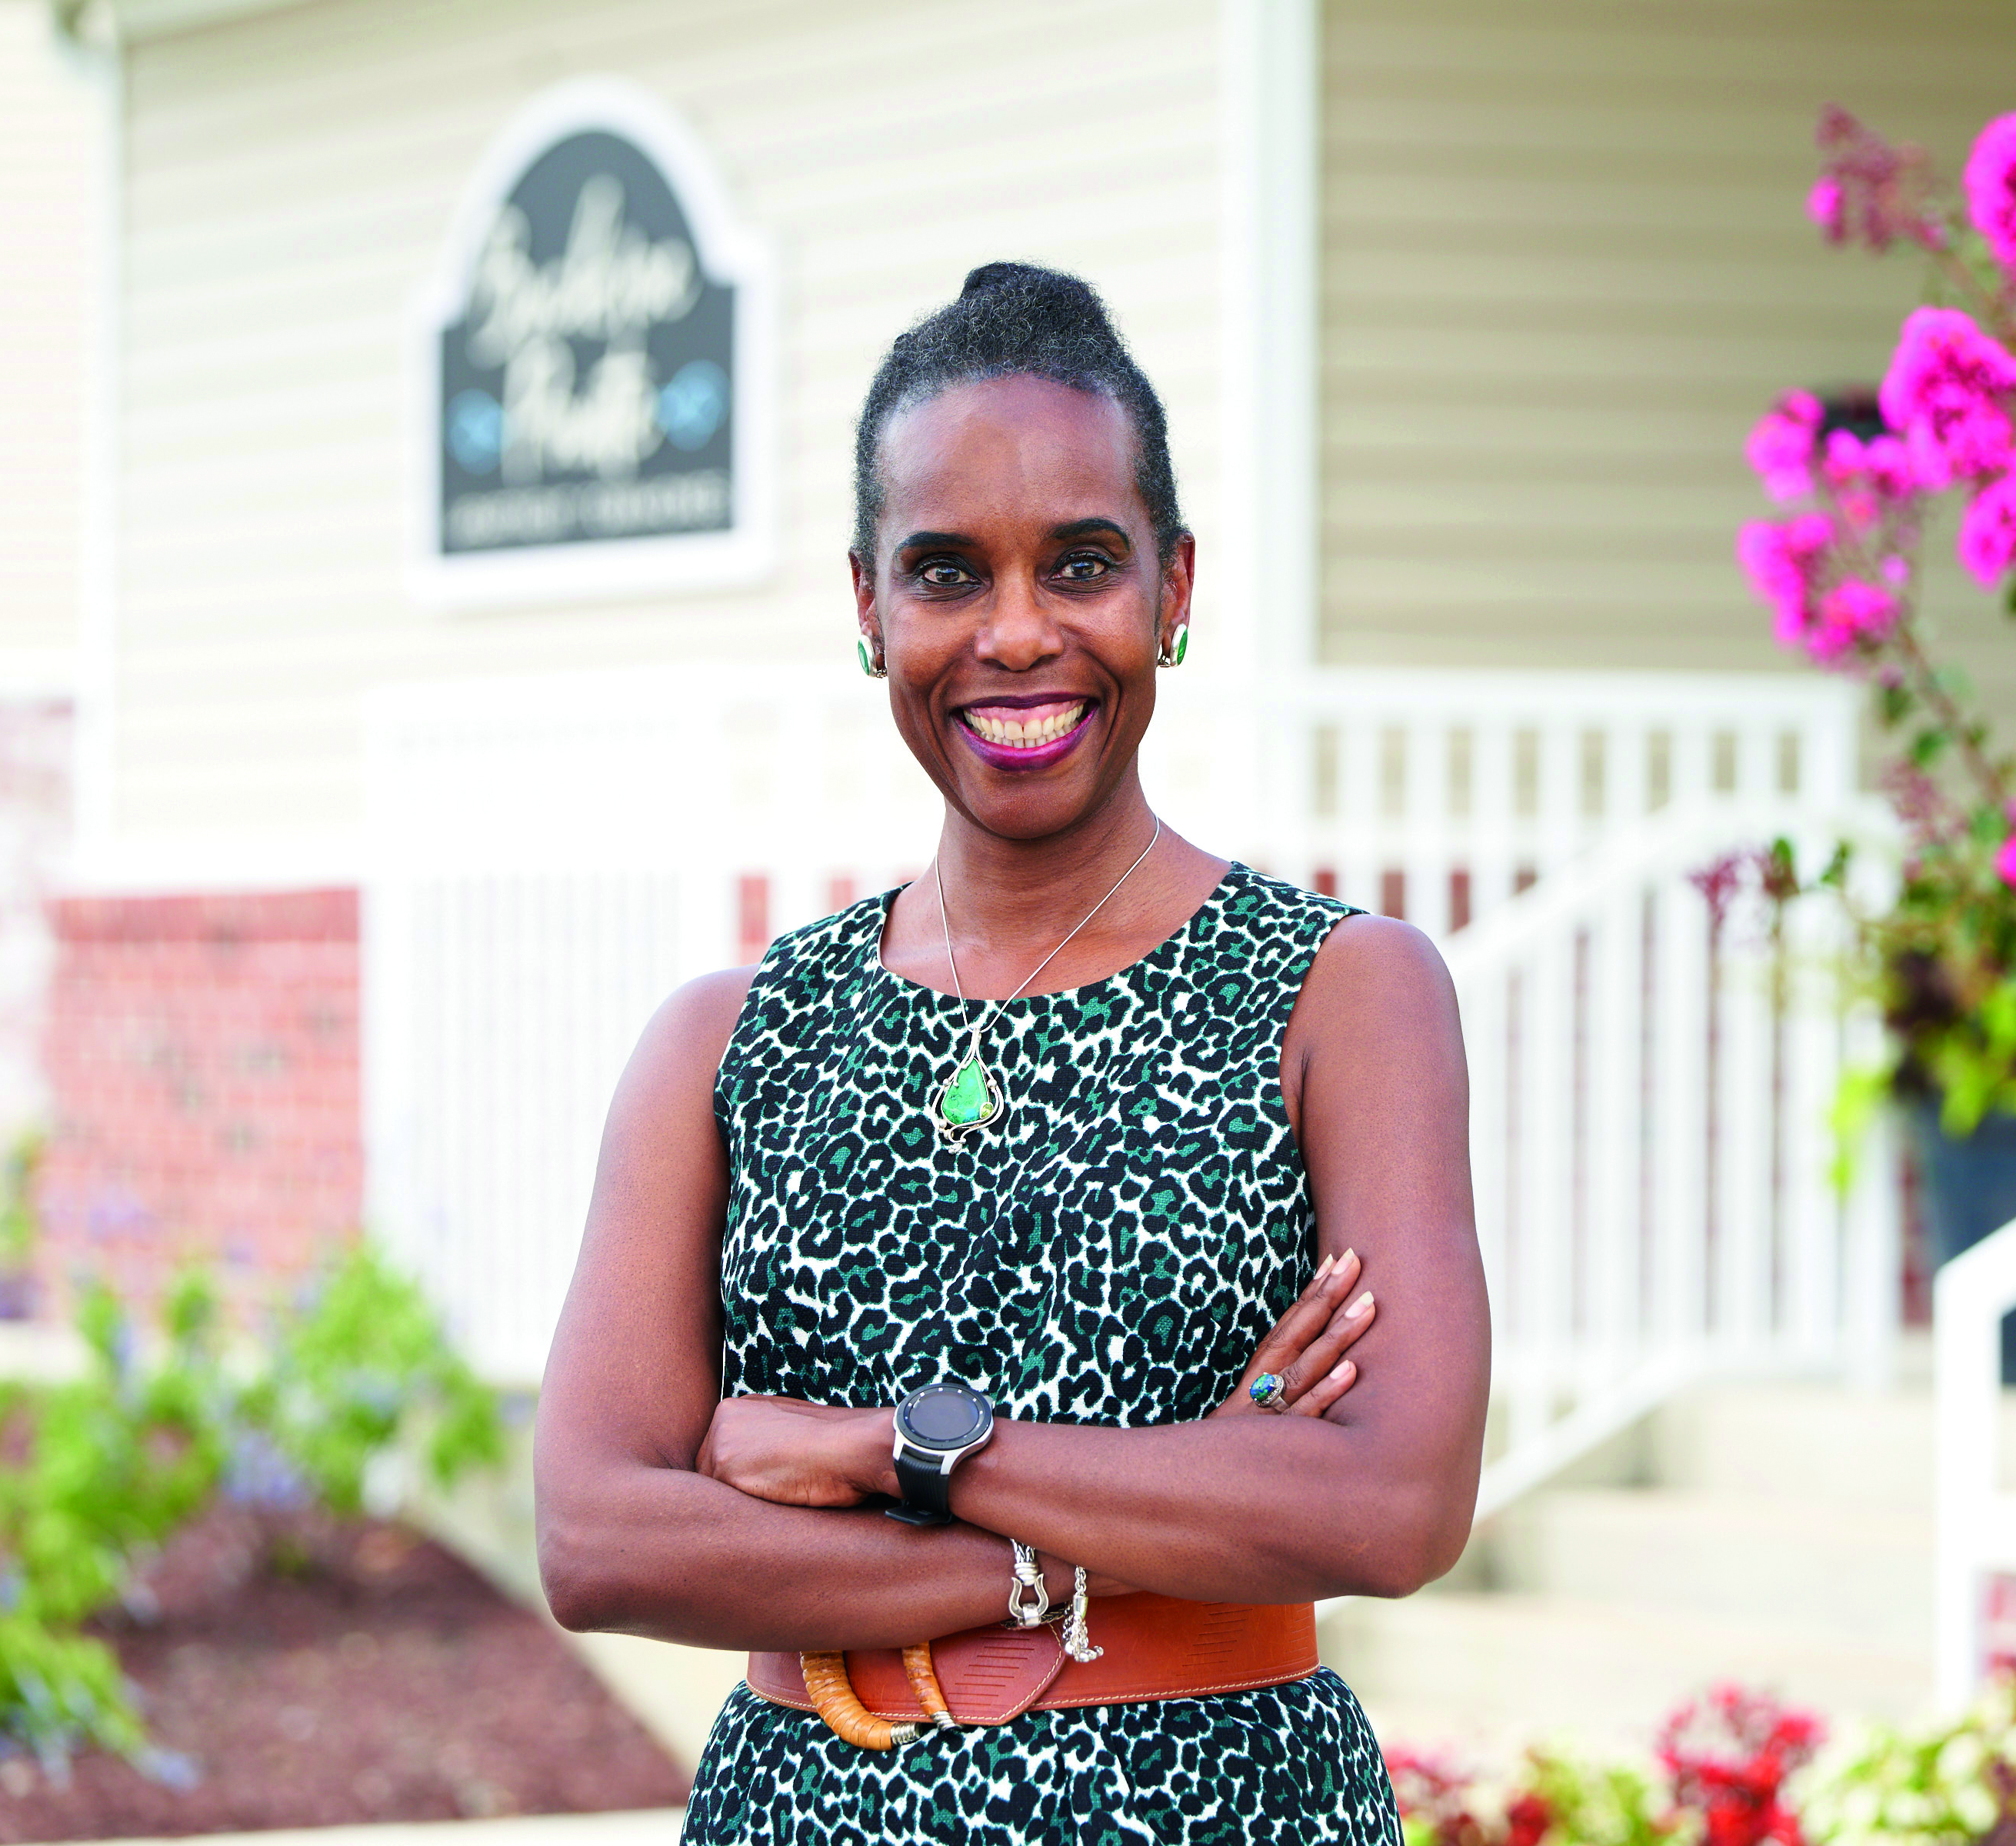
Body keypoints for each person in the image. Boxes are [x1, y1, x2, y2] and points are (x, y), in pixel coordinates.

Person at [533, 261, 1490, 1844]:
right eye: (949, 574)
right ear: (869, 607)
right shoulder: (731, 1041)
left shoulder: (1344, 996)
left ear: (1176, 589)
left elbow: (1395, 1505)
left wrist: (881, 1453)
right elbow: (598, 1540)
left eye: (1084, 564)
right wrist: (1185, 1500)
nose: (1021, 635)